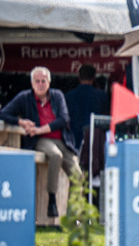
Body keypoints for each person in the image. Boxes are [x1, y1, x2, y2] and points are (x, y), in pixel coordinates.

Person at [0, 66, 81, 217]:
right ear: (32, 83)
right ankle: (52, 200)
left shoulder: (57, 96)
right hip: (41, 141)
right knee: (55, 156)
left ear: (49, 82)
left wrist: (39, 129)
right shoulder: (24, 97)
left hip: (62, 140)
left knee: (78, 175)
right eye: (37, 81)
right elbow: (3, 114)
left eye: (43, 81)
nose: (40, 84)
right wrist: (21, 122)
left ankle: (74, 213)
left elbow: (64, 119)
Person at [64, 64, 108, 184]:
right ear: (94, 78)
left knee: (75, 174)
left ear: (78, 77)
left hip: (74, 140)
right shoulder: (101, 96)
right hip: (95, 142)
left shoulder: (68, 96)